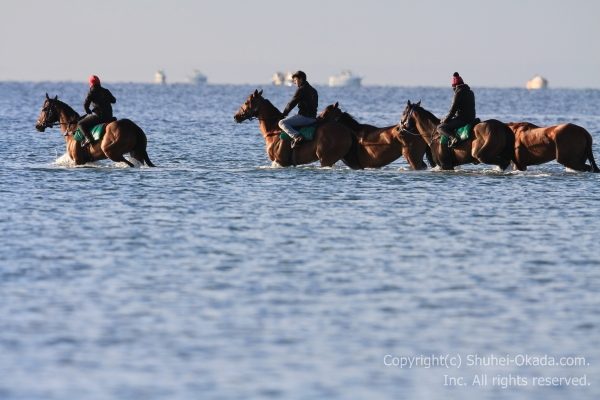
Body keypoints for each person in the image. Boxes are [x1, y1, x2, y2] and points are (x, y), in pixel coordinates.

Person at [278, 70, 318, 148]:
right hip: (313, 118)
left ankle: (297, 137)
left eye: (295, 80)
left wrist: (284, 114)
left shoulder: (301, 89)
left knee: (282, 123)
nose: (294, 82)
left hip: (305, 117)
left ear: (301, 79)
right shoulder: (314, 90)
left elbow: (292, 103)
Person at [438, 72, 476, 147]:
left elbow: (452, 110)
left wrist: (445, 120)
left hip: (462, 119)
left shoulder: (458, 93)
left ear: (454, 86)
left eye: (452, 87)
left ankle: (453, 138)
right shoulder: (471, 92)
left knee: (440, 127)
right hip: (471, 118)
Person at [78, 75, 116, 147]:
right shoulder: (106, 91)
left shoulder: (91, 92)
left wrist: (88, 111)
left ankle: (88, 139)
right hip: (109, 117)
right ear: (99, 82)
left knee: (80, 124)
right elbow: (114, 100)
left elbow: (85, 105)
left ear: (91, 84)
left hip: (99, 117)